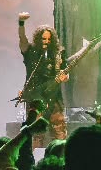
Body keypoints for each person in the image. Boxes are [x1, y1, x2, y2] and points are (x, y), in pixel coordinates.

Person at [17, 11, 68, 141]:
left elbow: (65, 72)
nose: (46, 41)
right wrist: (21, 23)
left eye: (49, 39)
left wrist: (65, 77)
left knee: (59, 133)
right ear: (38, 39)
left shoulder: (57, 54)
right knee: (35, 134)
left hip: (54, 97)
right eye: (44, 39)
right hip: (35, 96)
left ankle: (60, 158)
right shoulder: (31, 51)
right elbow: (22, 40)